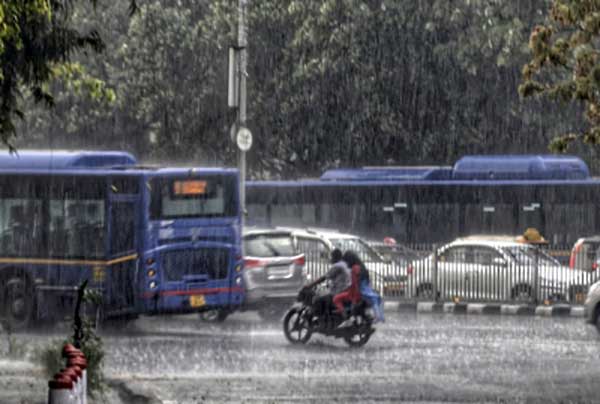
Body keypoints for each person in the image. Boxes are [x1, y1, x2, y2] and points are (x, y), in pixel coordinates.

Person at [303, 248, 351, 321]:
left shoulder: (337, 266)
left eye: (331, 257)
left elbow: (324, 277)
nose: (330, 259)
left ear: (335, 257)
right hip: (345, 290)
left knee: (317, 300)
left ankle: (320, 319)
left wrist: (310, 285)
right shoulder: (344, 264)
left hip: (338, 291)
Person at [342, 250, 385, 323]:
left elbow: (355, 281)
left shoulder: (355, 267)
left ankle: (378, 317)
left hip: (360, 289)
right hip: (363, 287)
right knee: (376, 299)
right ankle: (379, 316)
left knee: (373, 299)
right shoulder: (361, 266)